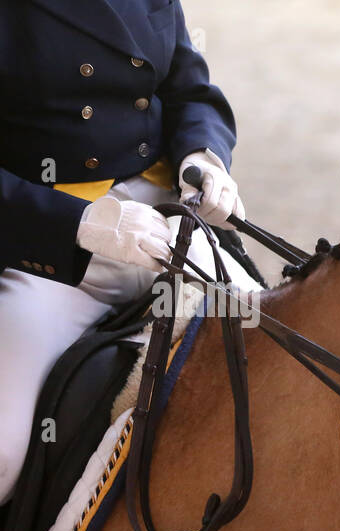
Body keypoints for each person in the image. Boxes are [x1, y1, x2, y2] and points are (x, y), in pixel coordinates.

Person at [0, 0, 250, 504]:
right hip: (52, 253)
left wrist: (204, 155)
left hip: (174, 223)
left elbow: (189, 88)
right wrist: (79, 222)